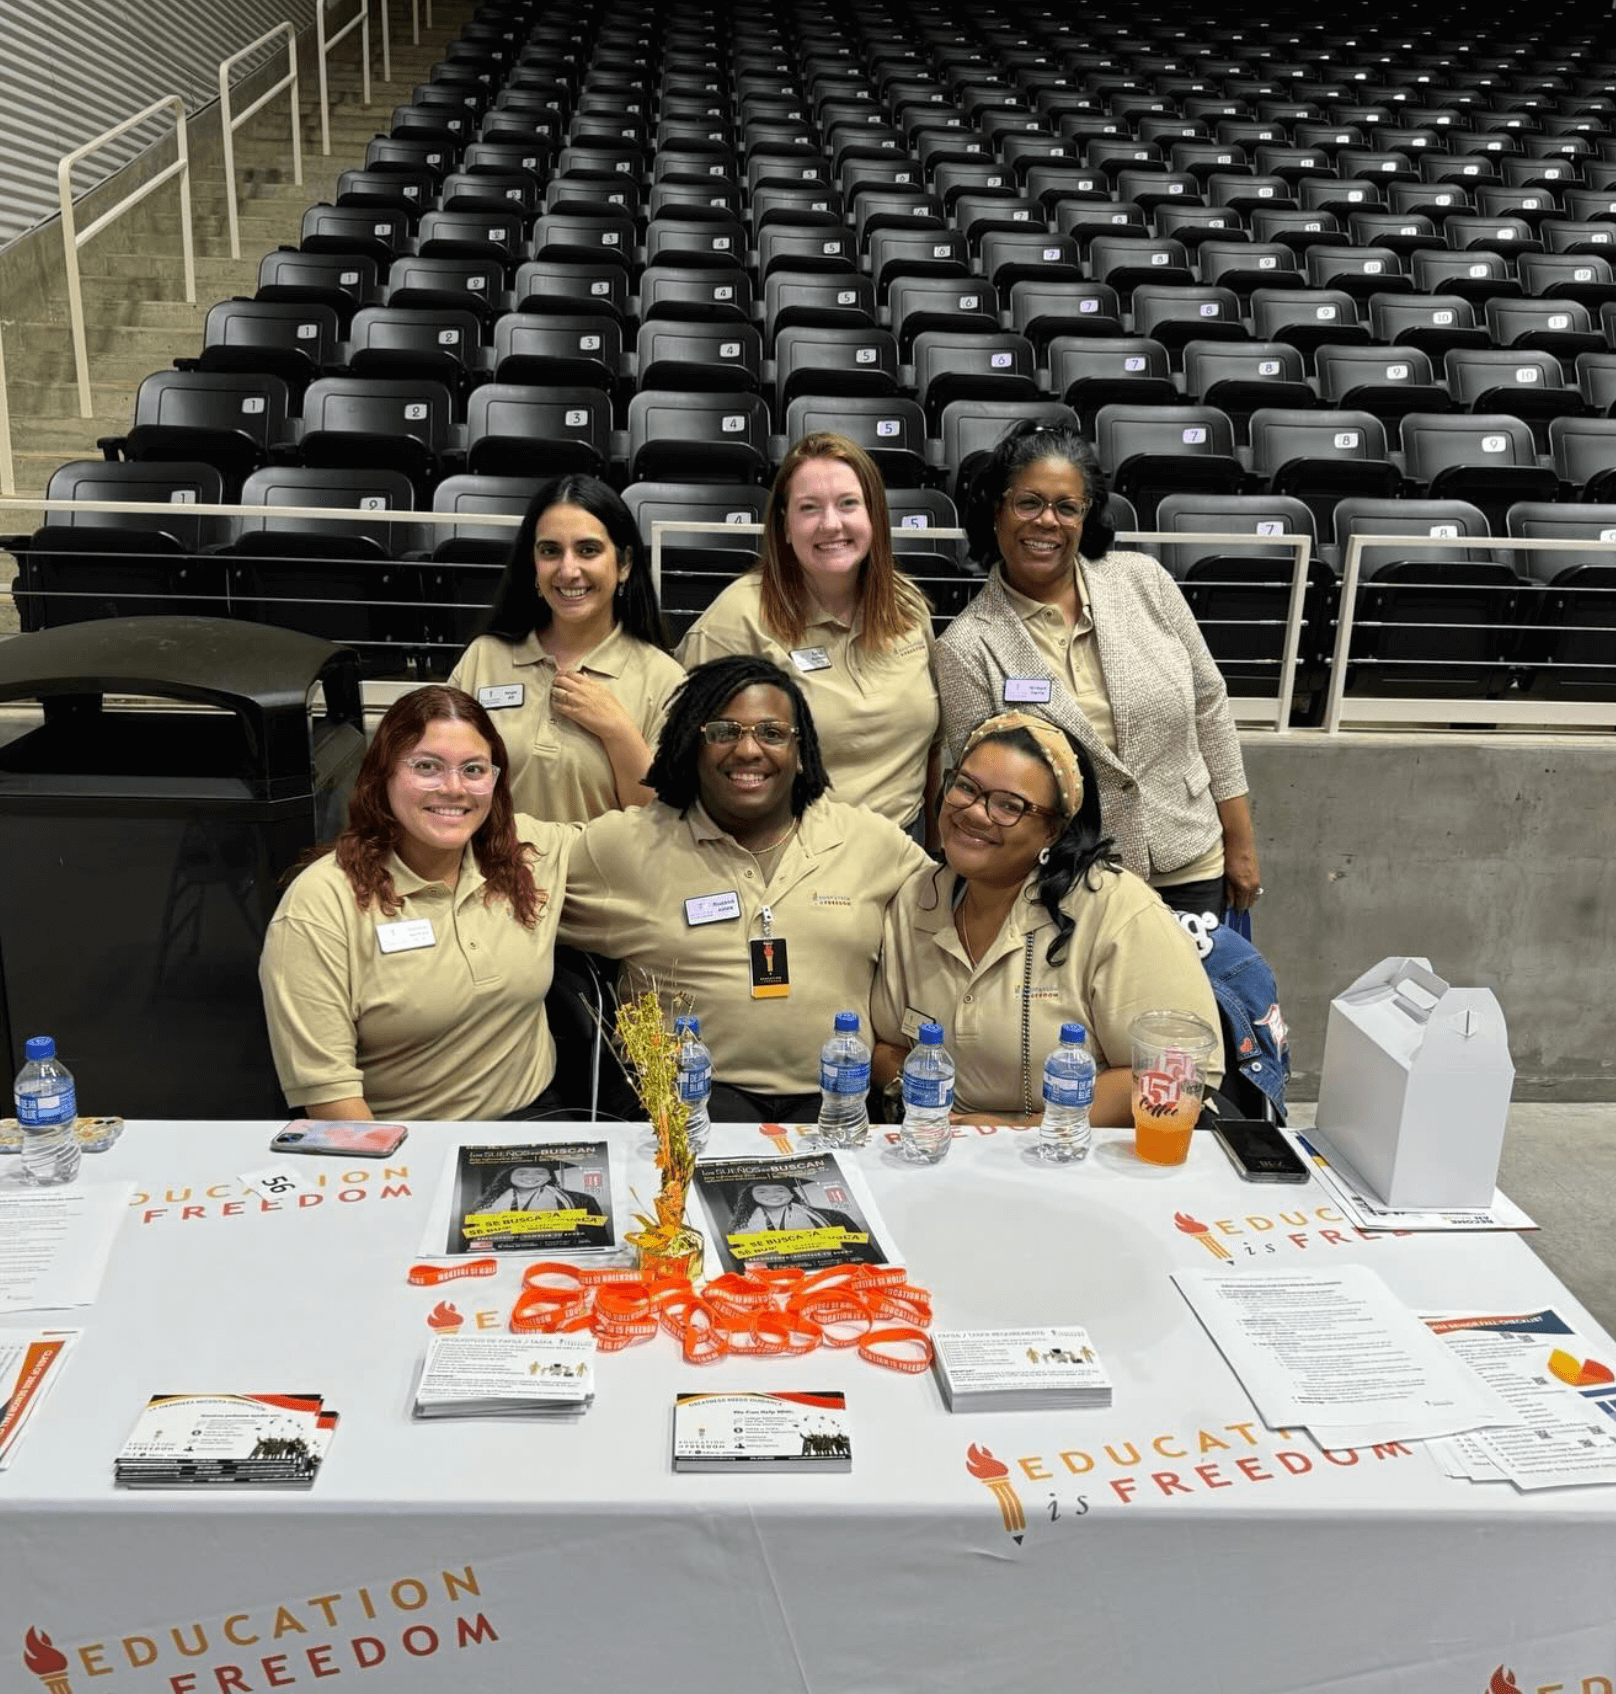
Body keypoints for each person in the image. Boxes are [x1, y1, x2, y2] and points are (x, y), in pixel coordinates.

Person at [559, 654, 932, 1122]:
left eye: (772, 733)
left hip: (836, 1104)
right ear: (691, 746)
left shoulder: (870, 842)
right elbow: (514, 873)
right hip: (679, 1105)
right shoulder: (628, 845)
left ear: (801, 753)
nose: (749, 750)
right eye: (724, 732)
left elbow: (956, 908)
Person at [935, 421, 1261, 917]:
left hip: (1193, 864)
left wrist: (1239, 843)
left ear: (1086, 516)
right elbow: (986, 793)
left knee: (1214, 997)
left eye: (1067, 507)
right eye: (1029, 503)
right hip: (1071, 887)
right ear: (996, 511)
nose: (1048, 521)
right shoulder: (966, 647)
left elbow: (1209, 706)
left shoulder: (1143, 580)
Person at [871, 711, 1222, 1126]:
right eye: (965, 787)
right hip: (944, 1147)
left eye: (1009, 806)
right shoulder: (917, 898)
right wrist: (923, 1099)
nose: (975, 813)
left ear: (1054, 832)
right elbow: (887, 1044)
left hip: (1084, 1155)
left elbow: (1177, 1074)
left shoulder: (1115, 907)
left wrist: (1022, 1132)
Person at [259, 685, 571, 1122]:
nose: (454, 788)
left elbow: (646, 834)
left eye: (474, 769)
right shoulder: (319, 906)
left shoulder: (528, 854)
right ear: (381, 774)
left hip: (535, 1117)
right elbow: (333, 1104)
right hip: (403, 1140)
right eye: (427, 766)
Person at [675, 431, 942, 836]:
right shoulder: (736, 620)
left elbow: (933, 747)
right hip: (792, 853)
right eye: (809, 508)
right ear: (785, 525)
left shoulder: (907, 604)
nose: (831, 524)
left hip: (906, 847)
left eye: (848, 504)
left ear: (874, 514)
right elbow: (684, 755)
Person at [448, 475, 685, 823]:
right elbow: (444, 786)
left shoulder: (665, 680)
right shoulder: (483, 659)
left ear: (624, 564)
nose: (568, 569)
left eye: (588, 550)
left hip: (602, 877)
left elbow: (664, 825)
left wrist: (618, 732)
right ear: (533, 564)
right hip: (493, 875)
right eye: (550, 551)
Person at [727, 1179, 861, 1237]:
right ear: (752, 1197)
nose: (773, 1195)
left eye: (779, 1190)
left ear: (791, 1194)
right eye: (762, 1192)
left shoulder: (832, 1217)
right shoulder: (742, 1226)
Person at [472, 1162, 603, 1217]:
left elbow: (597, 1238)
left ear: (548, 1177)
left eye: (539, 1172)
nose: (530, 1177)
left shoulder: (582, 1201)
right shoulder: (488, 1203)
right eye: (522, 1173)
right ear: (509, 1176)